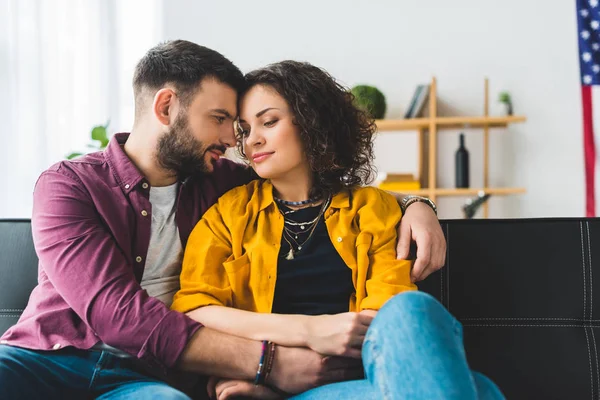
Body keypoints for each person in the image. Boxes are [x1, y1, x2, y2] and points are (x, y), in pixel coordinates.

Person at [0, 40, 445, 399]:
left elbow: (318, 184)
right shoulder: (69, 185)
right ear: (166, 107)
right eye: (221, 120)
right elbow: (118, 314)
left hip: (144, 377)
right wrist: (268, 362)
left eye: (241, 125)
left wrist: (416, 204)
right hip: (47, 356)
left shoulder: (219, 181)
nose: (234, 140)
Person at [172, 60, 504, 400]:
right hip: (277, 374)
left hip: (362, 376)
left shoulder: (371, 208)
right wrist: (298, 345)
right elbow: (193, 310)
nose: (252, 141)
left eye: (269, 122)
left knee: (411, 310)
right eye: (244, 130)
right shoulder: (227, 215)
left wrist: (419, 203)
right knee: (481, 391)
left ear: (312, 123)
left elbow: (386, 317)